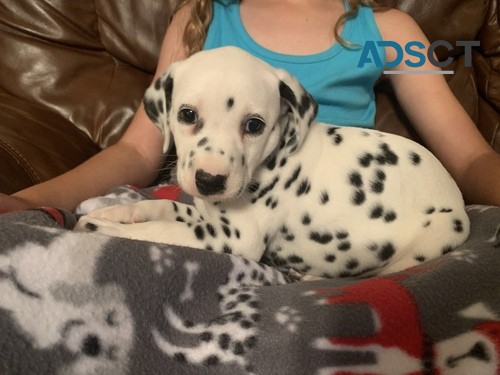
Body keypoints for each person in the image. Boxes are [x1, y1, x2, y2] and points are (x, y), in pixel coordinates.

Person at [1, 0, 499, 213]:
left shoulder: (384, 33)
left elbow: (471, 158)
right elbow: (137, 150)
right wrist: (28, 203)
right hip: (209, 220)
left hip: (330, 226)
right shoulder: (199, 20)